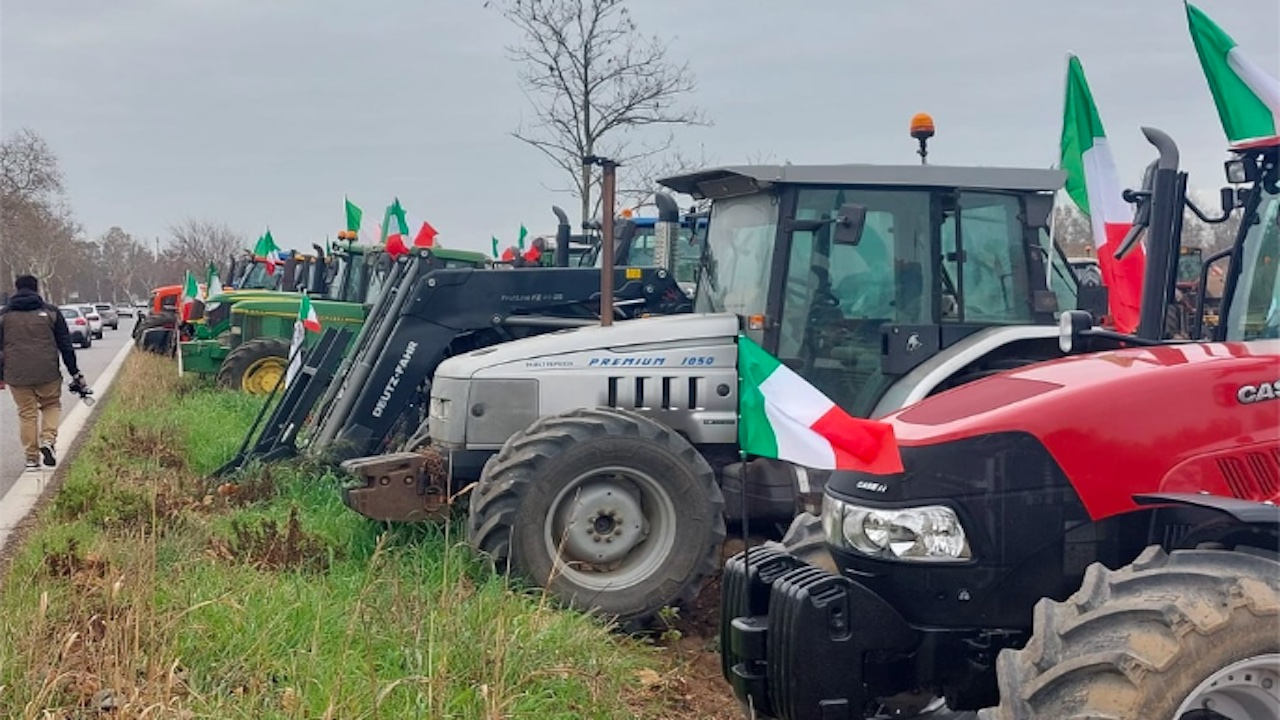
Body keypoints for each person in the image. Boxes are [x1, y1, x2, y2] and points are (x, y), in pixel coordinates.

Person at [0, 275, 83, 470]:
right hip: (47, 370)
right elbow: (65, 345)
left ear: (16, 288)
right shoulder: (52, 312)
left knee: (27, 413)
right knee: (51, 404)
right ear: (36, 288)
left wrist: (1, 376)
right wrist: (75, 372)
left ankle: (31, 458)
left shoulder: (4, 315)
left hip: (16, 372)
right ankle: (48, 439)